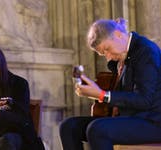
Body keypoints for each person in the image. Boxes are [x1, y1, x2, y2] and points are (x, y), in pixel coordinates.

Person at [59, 18, 161, 150]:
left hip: (153, 121)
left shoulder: (145, 51)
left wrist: (102, 95)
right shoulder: (121, 57)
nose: (108, 57)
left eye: (107, 49)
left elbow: (145, 99)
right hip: (132, 117)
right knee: (68, 126)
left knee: (97, 130)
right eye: (103, 54)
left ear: (118, 35)